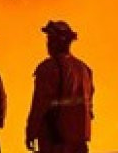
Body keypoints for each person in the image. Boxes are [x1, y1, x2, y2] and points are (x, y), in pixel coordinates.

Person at [25, 20, 94, 153]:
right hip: (79, 140)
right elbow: (89, 107)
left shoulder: (49, 68)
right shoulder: (84, 69)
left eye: (50, 39)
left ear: (57, 42)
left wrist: (31, 131)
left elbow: (39, 104)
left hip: (56, 139)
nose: (48, 44)